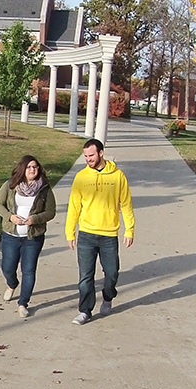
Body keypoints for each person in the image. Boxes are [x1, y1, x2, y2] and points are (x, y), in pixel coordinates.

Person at [66, 138, 135, 325]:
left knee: (112, 273)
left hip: (109, 235)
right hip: (86, 234)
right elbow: (74, 207)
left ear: (101, 153)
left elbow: (126, 205)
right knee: (85, 277)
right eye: (86, 156)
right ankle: (85, 311)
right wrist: (70, 232)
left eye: (91, 155)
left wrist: (129, 230)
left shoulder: (118, 176)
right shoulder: (81, 177)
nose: (88, 159)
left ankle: (107, 296)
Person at [0, 155, 57, 318]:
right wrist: (10, 217)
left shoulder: (44, 188)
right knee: (7, 268)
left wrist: (35, 219)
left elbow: (50, 211)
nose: (32, 169)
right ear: (22, 169)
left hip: (33, 238)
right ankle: (12, 284)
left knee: (28, 270)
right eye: (28, 167)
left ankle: (23, 303)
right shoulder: (11, 185)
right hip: (11, 235)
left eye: (35, 167)